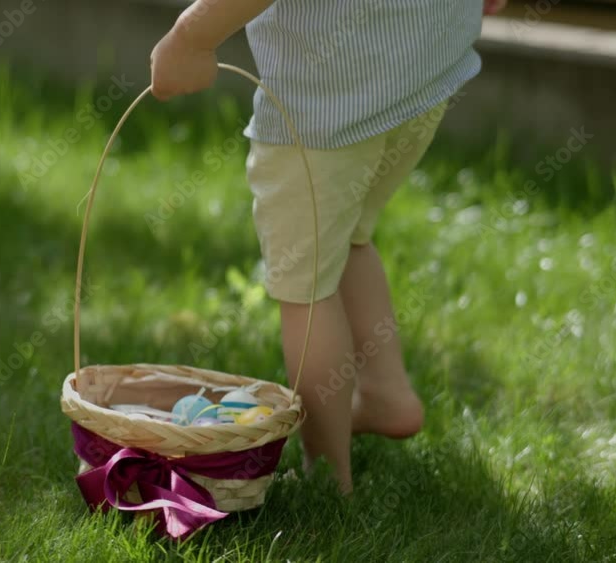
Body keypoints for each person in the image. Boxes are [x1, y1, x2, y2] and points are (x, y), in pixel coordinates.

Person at [149, 0, 506, 492]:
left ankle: (328, 478)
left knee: (305, 290)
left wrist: (191, 38)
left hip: (328, 106)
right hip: (420, 70)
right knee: (348, 237)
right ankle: (386, 394)